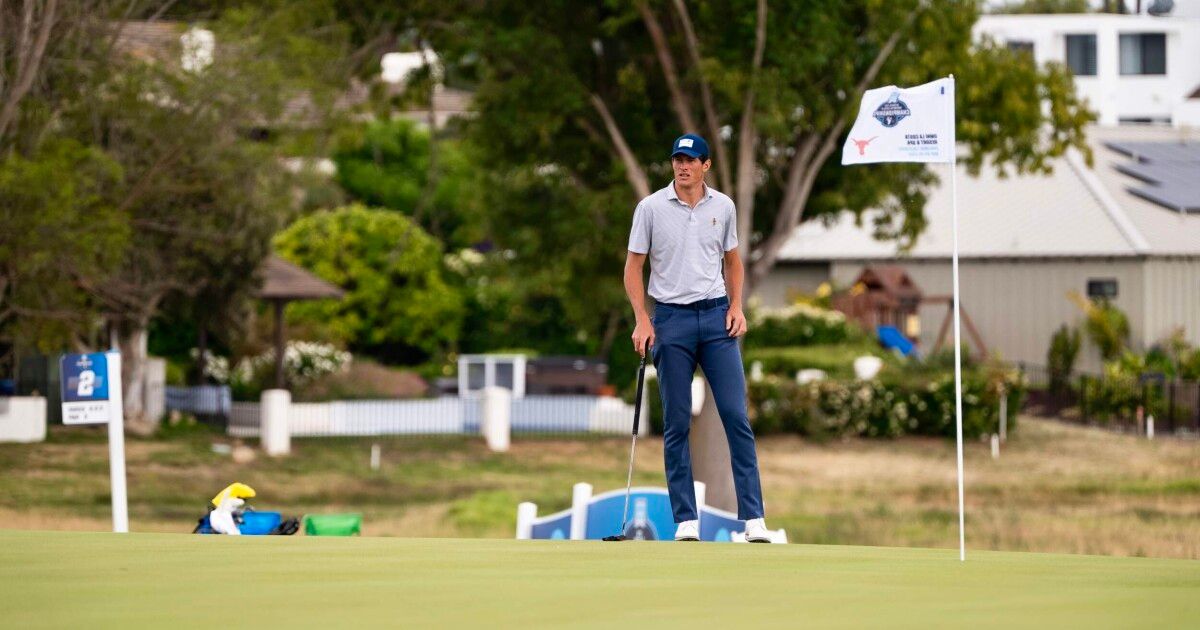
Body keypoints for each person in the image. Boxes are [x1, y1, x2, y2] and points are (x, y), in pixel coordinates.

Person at [624, 133, 771, 543]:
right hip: (671, 320)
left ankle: (754, 518)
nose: (683, 166)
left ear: (706, 165)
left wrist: (737, 305)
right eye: (678, 159)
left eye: (691, 160)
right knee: (676, 423)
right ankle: (686, 520)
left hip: (716, 318)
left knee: (736, 417)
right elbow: (633, 268)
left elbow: (733, 262)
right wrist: (642, 319)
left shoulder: (723, 206)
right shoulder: (650, 208)